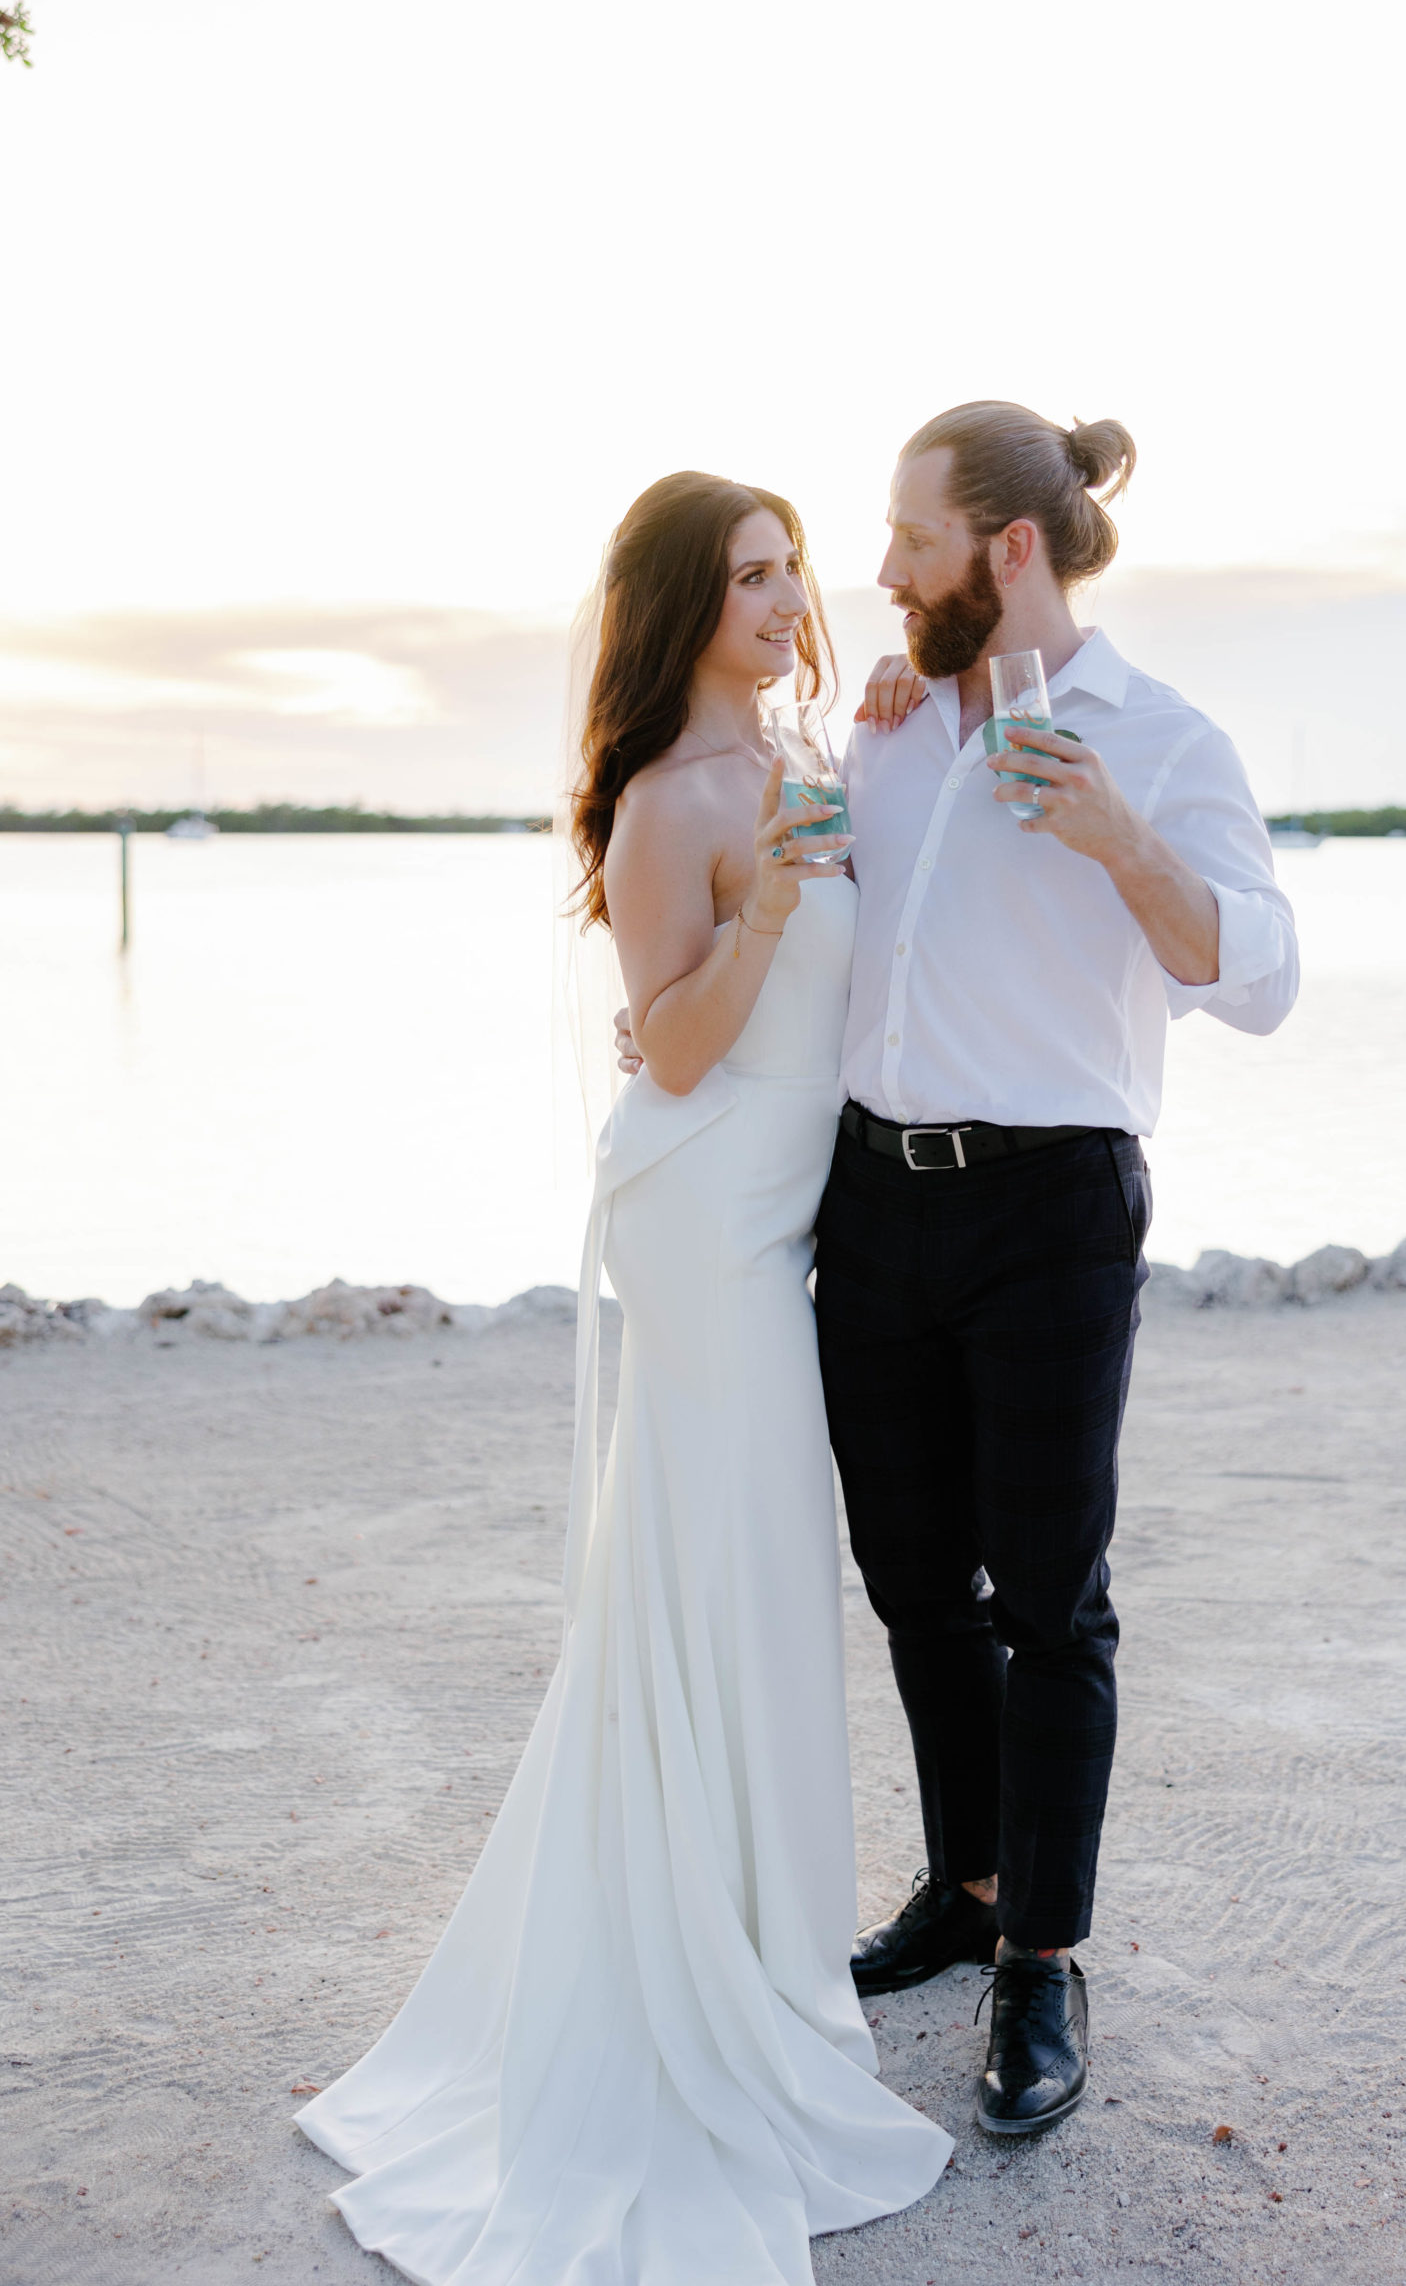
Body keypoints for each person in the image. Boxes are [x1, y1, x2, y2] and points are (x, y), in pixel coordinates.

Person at [294, 472, 951, 2286]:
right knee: (727, 1568)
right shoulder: (673, 796)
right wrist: (754, 919)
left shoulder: (810, 750)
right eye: (747, 574)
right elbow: (664, 1052)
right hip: (708, 1216)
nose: (786, 592)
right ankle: (709, 1979)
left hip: (783, 1214)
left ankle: (755, 1951)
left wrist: (876, 733)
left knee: (744, 1575)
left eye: (791, 565)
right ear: (683, 605)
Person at [805, 401, 1299, 2138]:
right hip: (873, 1201)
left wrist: (1122, 842)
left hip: (1051, 1212)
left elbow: (1259, 976)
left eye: (910, 541)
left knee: (1052, 1601)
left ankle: (1044, 1964)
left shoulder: (1158, 739)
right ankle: (965, 1894)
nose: (881, 572)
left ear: (1008, 551)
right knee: (918, 1586)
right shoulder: (888, 728)